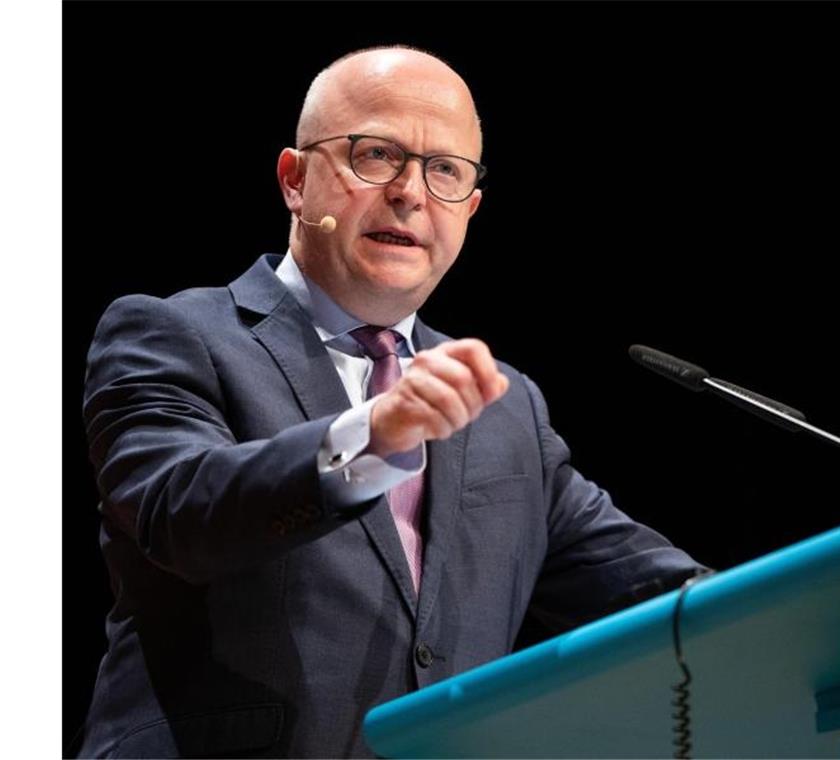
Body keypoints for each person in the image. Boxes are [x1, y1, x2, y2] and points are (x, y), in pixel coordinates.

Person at [79, 46, 701, 758]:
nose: (410, 192)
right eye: (377, 155)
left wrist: (835, 606)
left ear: (469, 210)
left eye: (443, 171)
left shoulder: (504, 408)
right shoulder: (174, 335)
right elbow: (180, 514)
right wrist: (371, 438)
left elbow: (651, 587)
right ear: (295, 178)